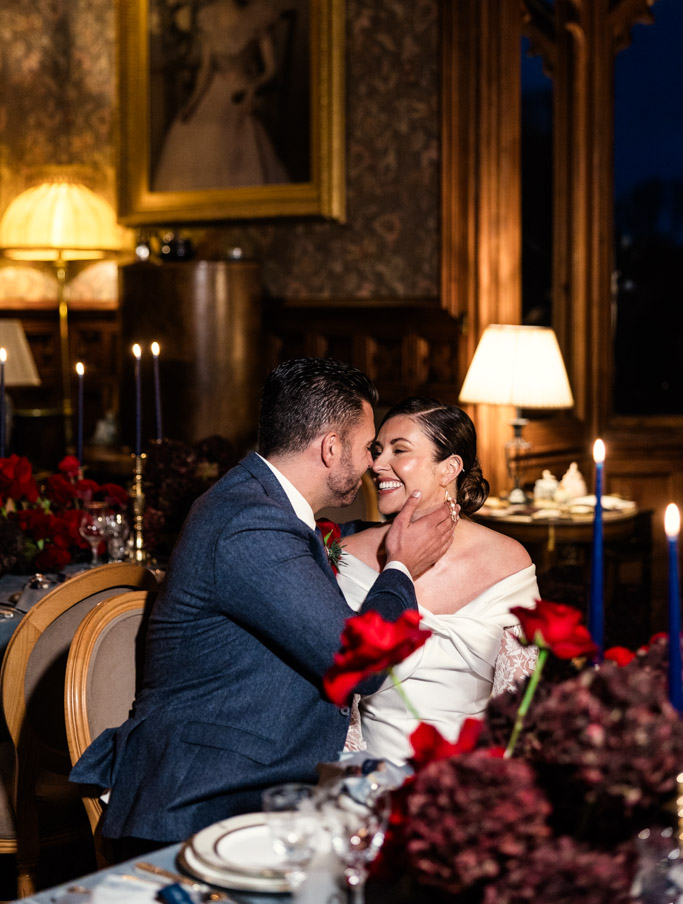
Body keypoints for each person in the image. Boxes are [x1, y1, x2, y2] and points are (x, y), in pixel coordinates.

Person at [70, 359, 455, 849]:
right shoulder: (251, 522)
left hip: (256, 785)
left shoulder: (259, 503)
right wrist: (401, 566)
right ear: (331, 448)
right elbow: (360, 666)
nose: (369, 466)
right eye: (366, 448)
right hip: (204, 799)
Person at [336, 396, 539, 765]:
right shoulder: (346, 555)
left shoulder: (509, 562)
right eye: (378, 450)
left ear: (449, 468)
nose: (377, 464)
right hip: (367, 780)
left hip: (473, 782)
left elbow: (517, 707)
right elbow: (335, 700)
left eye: (400, 450)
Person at [152, 0, 288, 191]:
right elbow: (206, 69)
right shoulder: (209, 17)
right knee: (194, 132)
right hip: (214, 91)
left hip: (243, 92)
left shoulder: (258, 15)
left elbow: (272, 68)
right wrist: (192, 104)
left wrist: (253, 87)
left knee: (236, 135)